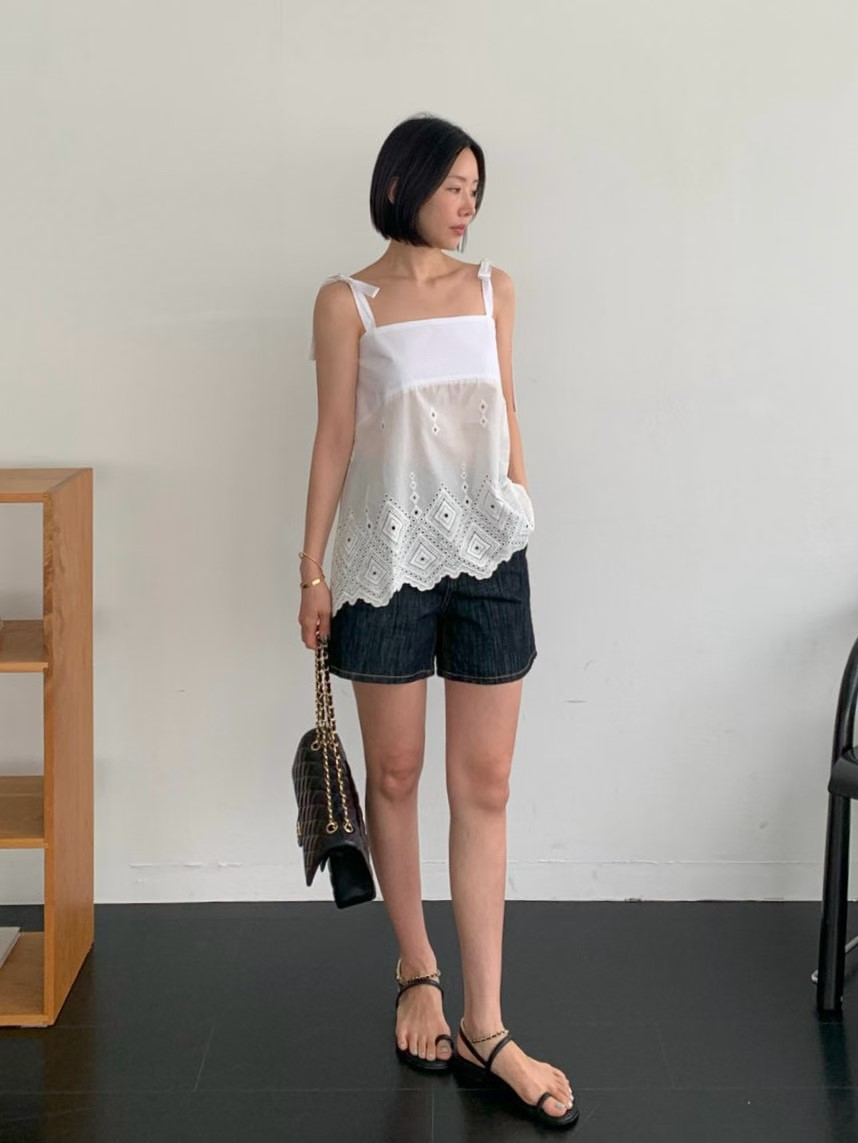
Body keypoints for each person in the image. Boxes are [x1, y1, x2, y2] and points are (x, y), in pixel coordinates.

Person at [298, 113, 578, 1130]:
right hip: (385, 561)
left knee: (486, 784)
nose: (468, 205)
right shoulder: (349, 300)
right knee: (397, 774)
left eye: (475, 189)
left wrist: (520, 504)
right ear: (402, 184)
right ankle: (416, 969)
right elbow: (335, 435)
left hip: (490, 556)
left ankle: (487, 1023)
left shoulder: (495, 288)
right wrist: (310, 569)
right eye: (453, 185)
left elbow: (508, 409)